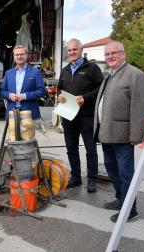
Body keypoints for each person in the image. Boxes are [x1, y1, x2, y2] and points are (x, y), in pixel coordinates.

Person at [93, 41, 144, 222]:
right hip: (107, 134)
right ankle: (121, 199)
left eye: (114, 53)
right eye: (107, 54)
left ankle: (130, 210)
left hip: (123, 135)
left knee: (126, 173)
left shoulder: (135, 75)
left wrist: (136, 135)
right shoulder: (110, 75)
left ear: (123, 54)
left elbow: (140, 107)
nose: (110, 56)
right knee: (112, 170)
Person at [57, 38, 104, 193]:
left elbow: (101, 89)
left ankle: (92, 179)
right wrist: (59, 97)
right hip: (68, 115)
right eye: (69, 50)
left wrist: (86, 98)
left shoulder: (92, 68)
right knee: (71, 148)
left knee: (90, 148)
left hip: (86, 115)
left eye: (74, 49)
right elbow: (59, 90)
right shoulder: (65, 70)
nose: (71, 53)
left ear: (81, 50)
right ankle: (76, 177)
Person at [0, 45, 45, 120]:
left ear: (26, 55)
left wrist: (25, 96)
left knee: (28, 132)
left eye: (22, 54)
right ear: (14, 56)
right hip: (12, 113)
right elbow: (2, 91)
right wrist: (9, 95)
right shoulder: (8, 73)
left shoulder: (35, 72)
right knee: (13, 132)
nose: (19, 57)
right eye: (17, 54)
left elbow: (42, 91)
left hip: (29, 113)